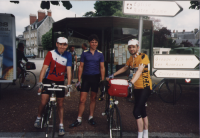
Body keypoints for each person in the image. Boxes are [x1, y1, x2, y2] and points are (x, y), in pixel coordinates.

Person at [107, 39, 152, 138]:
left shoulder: (143, 56)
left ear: (137, 47)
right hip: (136, 88)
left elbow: (140, 71)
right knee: (142, 110)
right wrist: (113, 75)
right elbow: (125, 67)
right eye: (130, 47)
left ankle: (140, 135)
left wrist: (131, 82)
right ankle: (146, 134)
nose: (131, 49)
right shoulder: (131, 59)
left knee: (136, 111)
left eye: (133, 47)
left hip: (145, 87)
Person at [34, 37, 72, 136]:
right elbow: (44, 68)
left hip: (60, 81)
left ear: (66, 46)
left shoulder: (68, 55)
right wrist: (40, 82)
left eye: (64, 44)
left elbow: (68, 70)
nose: (62, 46)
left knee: (60, 104)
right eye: (60, 44)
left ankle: (61, 125)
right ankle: (38, 118)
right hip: (48, 80)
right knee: (43, 101)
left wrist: (68, 85)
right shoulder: (50, 53)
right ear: (56, 44)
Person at [69, 34, 105, 128]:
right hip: (86, 78)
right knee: (82, 100)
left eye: (95, 42)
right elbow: (80, 66)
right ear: (89, 43)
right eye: (92, 42)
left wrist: (103, 80)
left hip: (95, 78)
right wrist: (78, 80)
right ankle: (79, 119)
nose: (94, 44)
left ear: (97, 43)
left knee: (93, 98)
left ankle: (91, 118)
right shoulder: (84, 53)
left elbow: (102, 67)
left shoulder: (100, 54)